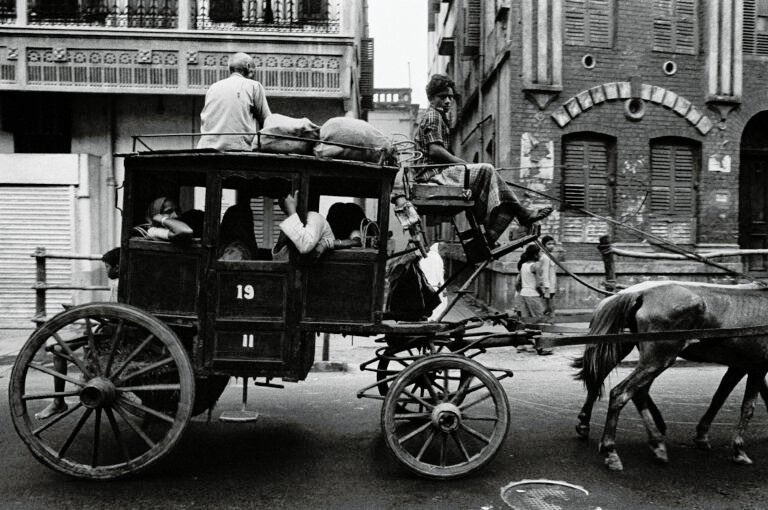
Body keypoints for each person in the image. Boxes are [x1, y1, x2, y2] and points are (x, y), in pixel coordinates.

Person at [394, 74, 553, 245]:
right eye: (442, 97)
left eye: (450, 97)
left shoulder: (437, 116)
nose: (448, 101)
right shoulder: (433, 116)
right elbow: (435, 150)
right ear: (432, 98)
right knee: (486, 170)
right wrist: (463, 164)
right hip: (431, 177)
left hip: (434, 174)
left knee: (483, 182)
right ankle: (520, 216)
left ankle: (494, 231)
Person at [197, 52, 272, 151]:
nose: (254, 76)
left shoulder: (213, 87)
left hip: (207, 149)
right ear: (248, 67)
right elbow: (267, 122)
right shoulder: (254, 86)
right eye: (254, 72)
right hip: (239, 150)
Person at [516, 244, 552, 355]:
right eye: (539, 253)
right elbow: (537, 284)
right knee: (539, 320)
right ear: (535, 254)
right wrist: (543, 295)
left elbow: (519, 283)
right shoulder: (535, 266)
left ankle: (522, 345)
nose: (540, 255)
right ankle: (542, 347)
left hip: (523, 294)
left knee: (525, 320)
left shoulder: (523, 266)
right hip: (533, 295)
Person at [539, 235, 558, 318]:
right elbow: (544, 273)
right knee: (550, 306)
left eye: (553, 244)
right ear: (543, 245)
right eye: (549, 244)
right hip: (548, 286)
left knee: (548, 306)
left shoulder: (549, 256)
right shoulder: (545, 257)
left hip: (552, 285)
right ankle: (551, 320)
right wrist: (546, 286)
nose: (551, 246)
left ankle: (547, 318)